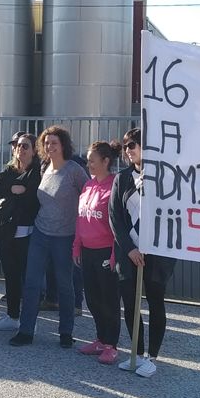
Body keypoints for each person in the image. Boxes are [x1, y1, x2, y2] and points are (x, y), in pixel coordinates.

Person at [10, 125, 88, 348]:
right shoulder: (45, 168)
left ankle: (65, 332)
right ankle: (26, 331)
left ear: (63, 145)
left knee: (65, 285)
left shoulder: (74, 170)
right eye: (46, 142)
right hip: (41, 233)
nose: (49, 146)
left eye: (54, 142)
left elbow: (88, 196)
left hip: (65, 236)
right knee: (32, 283)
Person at [109, 128, 176, 378]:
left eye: (134, 144)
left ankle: (152, 356)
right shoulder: (122, 178)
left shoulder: (164, 176)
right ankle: (135, 353)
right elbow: (115, 217)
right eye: (126, 145)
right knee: (130, 302)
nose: (129, 149)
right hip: (130, 254)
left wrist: (150, 247)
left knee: (155, 301)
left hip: (157, 254)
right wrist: (130, 249)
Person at [73, 140, 122, 364]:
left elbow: (117, 225)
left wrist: (114, 254)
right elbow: (81, 218)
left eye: (92, 160)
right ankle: (100, 338)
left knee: (108, 299)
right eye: (88, 159)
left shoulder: (114, 186)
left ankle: (112, 344)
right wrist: (77, 245)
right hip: (87, 250)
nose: (88, 163)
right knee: (92, 298)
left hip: (105, 251)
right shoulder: (88, 185)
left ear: (106, 161)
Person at [0, 132, 41, 332]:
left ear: (35, 150)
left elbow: (34, 197)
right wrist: (12, 189)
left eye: (25, 146)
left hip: (29, 233)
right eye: (18, 145)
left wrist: (23, 191)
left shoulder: (39, 171)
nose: (20, 149)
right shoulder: (9, 170)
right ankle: (12, 315)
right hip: (7, 231)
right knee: (10, 276)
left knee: (29, 279)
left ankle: (29, 321)